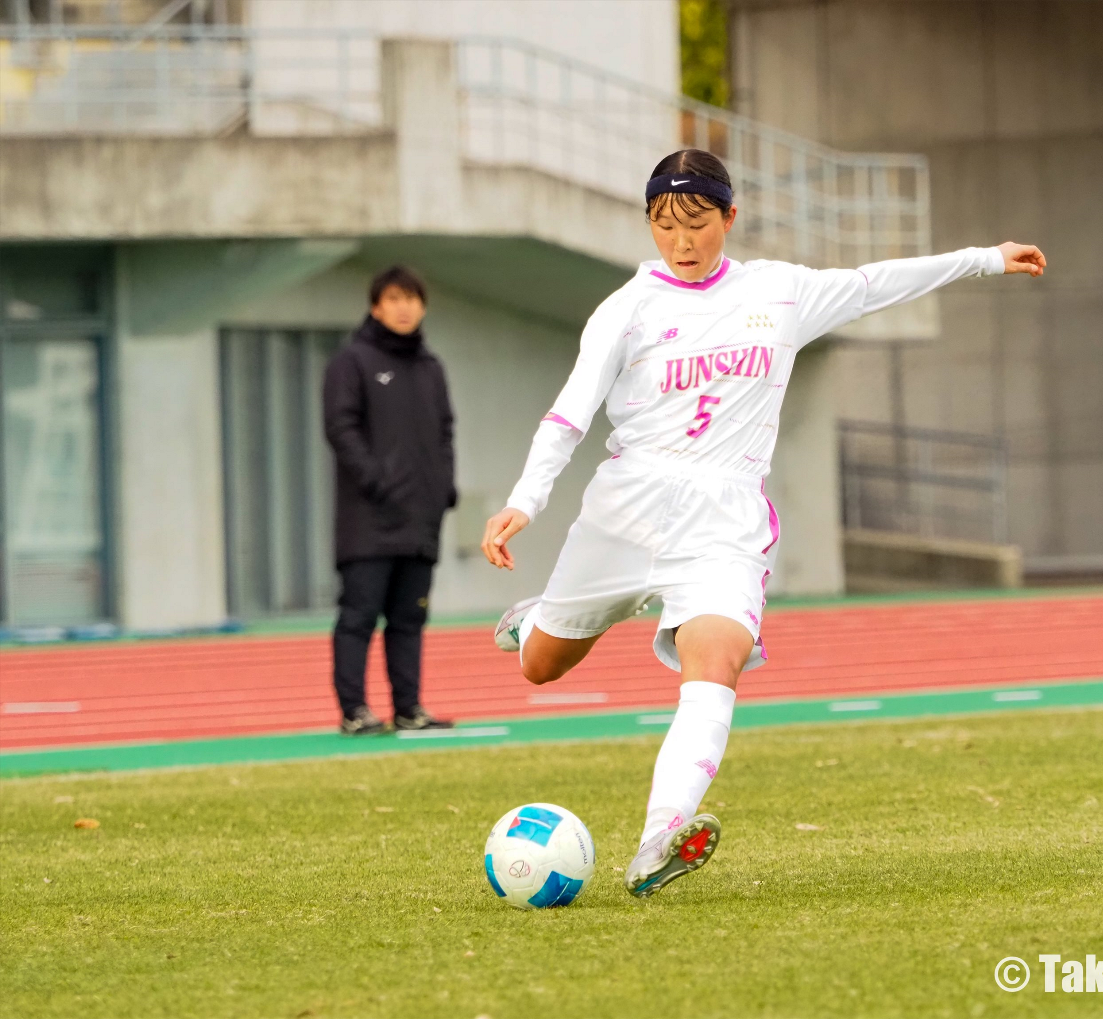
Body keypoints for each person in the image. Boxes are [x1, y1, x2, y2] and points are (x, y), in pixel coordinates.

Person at [481, 149, 1045, 896]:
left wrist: (986, 259)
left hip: (724, 517)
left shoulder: (779, 292)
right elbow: (568, 413)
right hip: (625, 509)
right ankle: (536, 622)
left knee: (715, 661)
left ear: (730, 218)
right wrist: (526, 499)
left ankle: (658, 840)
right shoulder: (627, 307)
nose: (680, 241)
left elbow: (875, 284)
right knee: (542, 666)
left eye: (696, 223)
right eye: (662, 224)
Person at [323, 266, 458, 735]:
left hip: (420, 519)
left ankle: (408, 708)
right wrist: (378, 481)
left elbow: (444, 435)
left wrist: (443, 489)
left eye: (412, 298)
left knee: (409, 618)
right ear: (376, 306)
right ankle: (355, 710)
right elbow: (341, 430)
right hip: (369, 519)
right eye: (394, 298)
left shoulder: (430, 367)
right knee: (358, 616)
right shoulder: (352, 362)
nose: (404, 307)